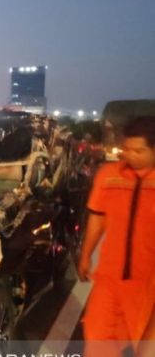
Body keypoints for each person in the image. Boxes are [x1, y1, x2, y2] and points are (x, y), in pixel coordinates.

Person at [77, 116, 155, 356]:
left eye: (138, 150)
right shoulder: (109, 175)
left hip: (148, 284)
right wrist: (86, 254)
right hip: (109, 278)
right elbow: (97, 218)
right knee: (97, 338)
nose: (130, 155)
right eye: (127, 149)